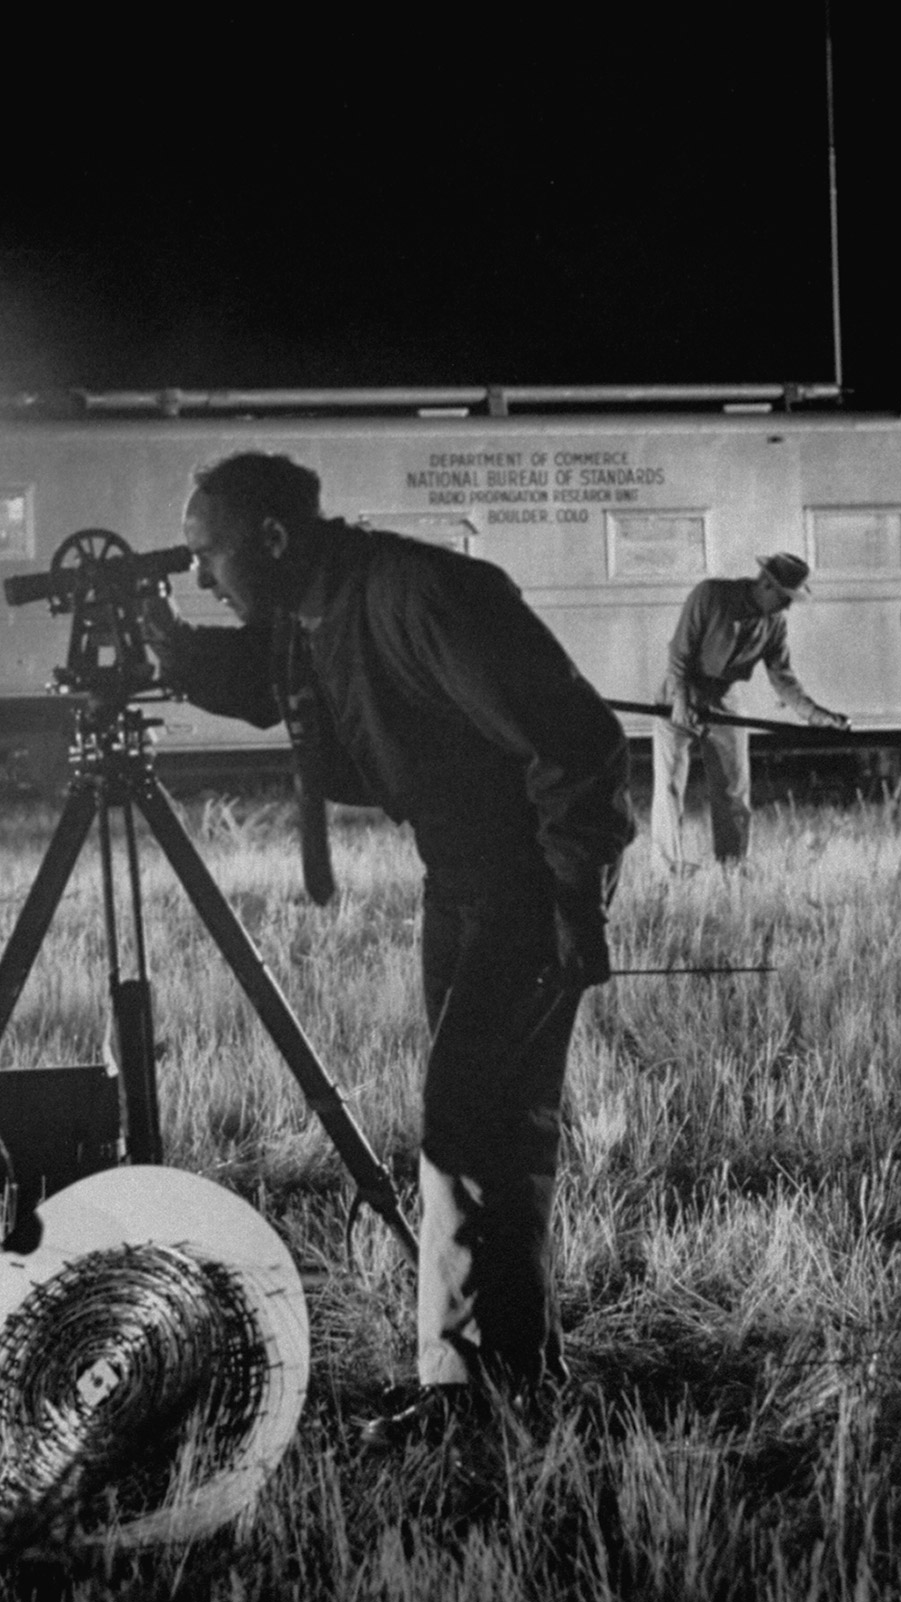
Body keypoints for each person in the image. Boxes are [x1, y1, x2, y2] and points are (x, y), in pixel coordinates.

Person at [149, 452, 634, 1447]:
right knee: (489, 1127)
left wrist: (576, 900)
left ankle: (470, 1391)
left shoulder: (422, 596)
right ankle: (510, 1371)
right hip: (457, 879)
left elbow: (577, 740)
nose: (201, 575)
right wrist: (161, 641)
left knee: (465, 1121)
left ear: (273, 539)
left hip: (524, 878)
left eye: (209, 555)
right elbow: (267, 682)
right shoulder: (310, 608)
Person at [651, 552, 847, 866]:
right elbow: (679, 651)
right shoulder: (711, 595)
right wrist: (681, 699)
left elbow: (783, 678)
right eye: (785, 599)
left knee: (734, 789)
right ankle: (666, 870)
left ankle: (733, 866)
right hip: (678, 692)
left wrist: (817, 715)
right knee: (669, 786)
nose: (787, 607)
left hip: (725, 700)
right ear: (766, 585)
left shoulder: (775, 624)